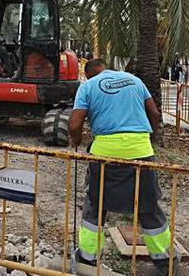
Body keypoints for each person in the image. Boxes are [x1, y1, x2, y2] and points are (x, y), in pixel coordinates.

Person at [68, 59, 176, 274]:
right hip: (141, 151)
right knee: (148, 206)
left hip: (105, 154)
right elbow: (154, 114)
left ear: (89, 74)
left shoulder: (88, 86)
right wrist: (148, 138)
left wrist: (76, 142)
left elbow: (74, 124)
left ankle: (87, 260)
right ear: (106, 68)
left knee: (95, 205)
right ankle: (165, 261)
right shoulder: (135, 81)